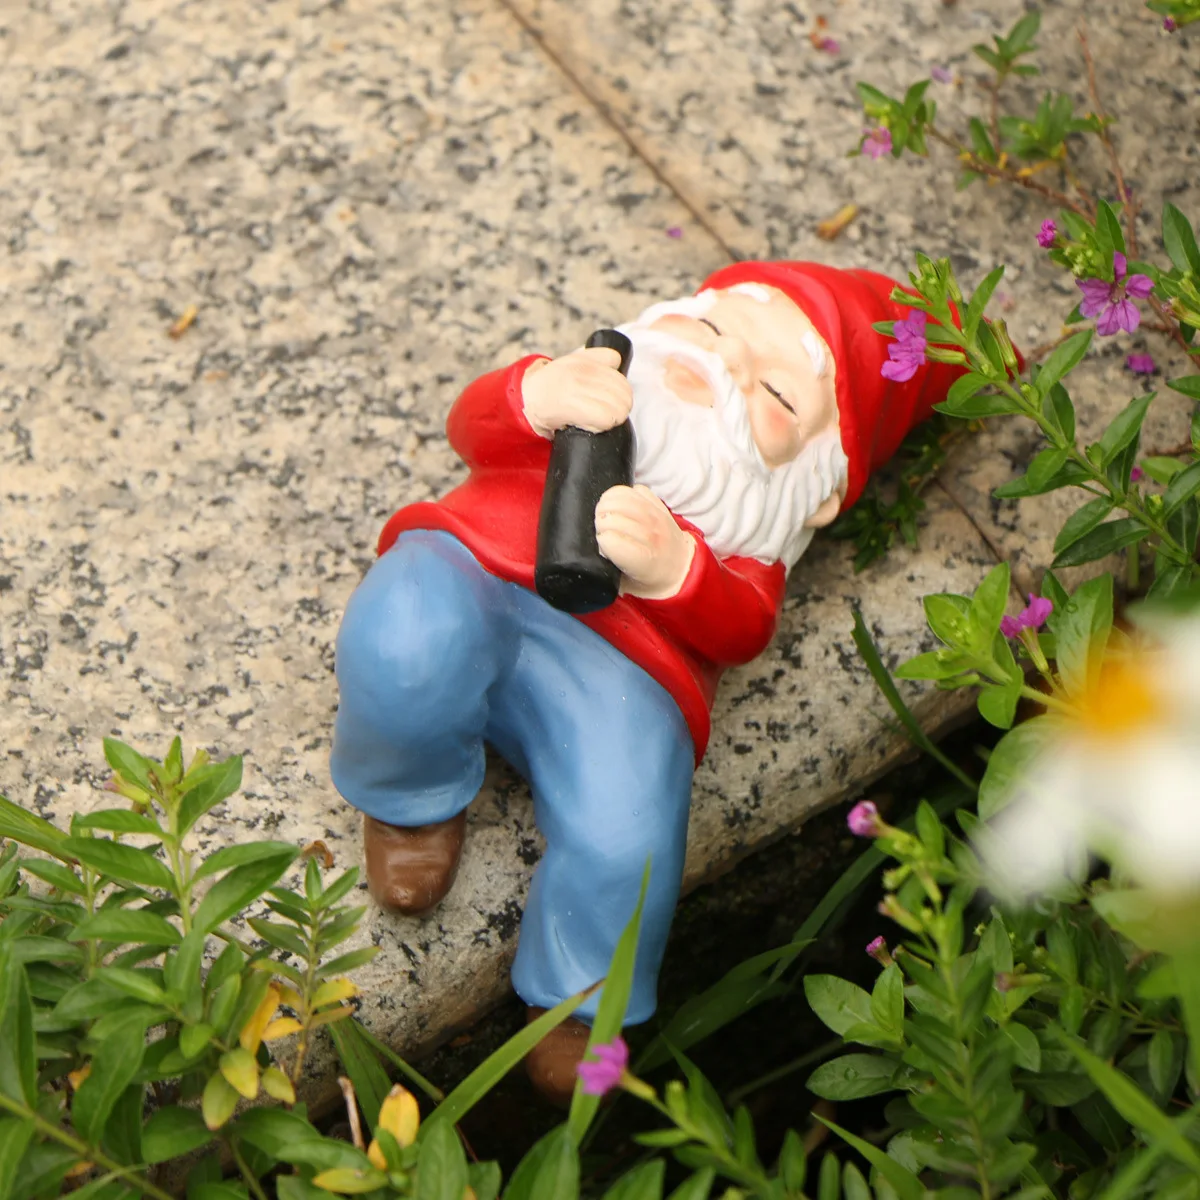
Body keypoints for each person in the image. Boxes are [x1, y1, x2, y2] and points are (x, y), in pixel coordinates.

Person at [330, 260, 966, 1102]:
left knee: (630, 827)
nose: (726, 364)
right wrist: (535, 394)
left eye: (778, 395)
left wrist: (676, 571)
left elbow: (743, 628)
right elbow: (472, 427)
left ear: (818, 491)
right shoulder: (585, 399)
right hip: (476, 566)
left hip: (624, 668)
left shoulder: (746, 528)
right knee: (404, 632)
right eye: (711, 329)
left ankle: (580, 997)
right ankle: (409, 799)